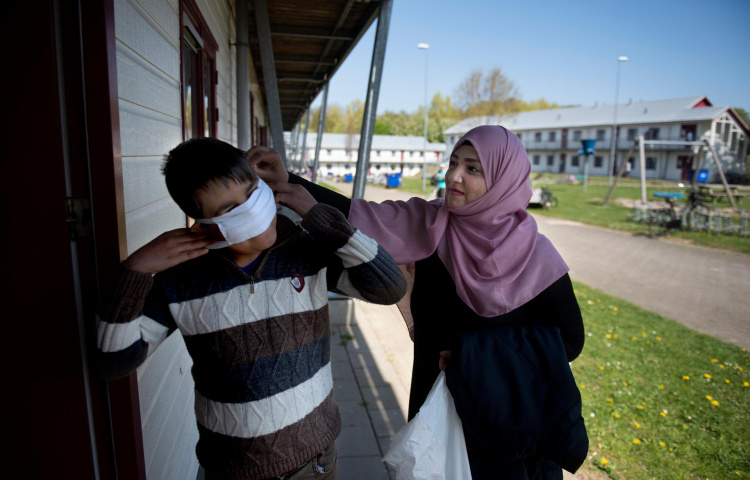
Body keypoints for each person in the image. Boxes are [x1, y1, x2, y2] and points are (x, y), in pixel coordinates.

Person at [253, 126, 586, 479]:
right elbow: (359, 214)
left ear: (504, 180)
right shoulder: (431, 225)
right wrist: (287, 181)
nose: (454, 175)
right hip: (436, 407)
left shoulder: (535, 254)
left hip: (506, 418)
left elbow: (570, 340)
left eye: (473, 169)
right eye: (454, 161)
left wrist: (472, 356)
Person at [95, 138, 406, 480]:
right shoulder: (180, 282)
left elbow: (389, 287)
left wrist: (321, 217)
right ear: (203, 224)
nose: (252, 211)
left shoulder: (306, 251)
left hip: (316, 461)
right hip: (232, 469)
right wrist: (134, 271)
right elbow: (112, 362)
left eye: (251, 192)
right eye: (230, 210)